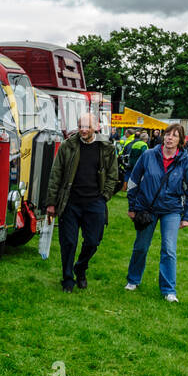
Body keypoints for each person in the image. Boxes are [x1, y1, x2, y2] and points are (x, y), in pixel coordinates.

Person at [46, 113, 119, 291]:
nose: (83, 130)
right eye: (80, 126)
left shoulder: (106, 148)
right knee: (68, 243)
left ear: (96, 127)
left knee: (93, 241)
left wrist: (105, 196)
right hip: (70, 202)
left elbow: (113, 175)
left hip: (95, 203)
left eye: (87, 126)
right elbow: (56, 175)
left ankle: (81, 267)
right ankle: (68, 279)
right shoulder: (67, 146)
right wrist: (51, 202)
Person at [125, 123, 188, 302]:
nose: (170, 138)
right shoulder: (148, 155)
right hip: (146, 208)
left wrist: (186, 216)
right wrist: (132, 207)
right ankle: (133, 280)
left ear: (181, 140)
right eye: (167, 134)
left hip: (171, 210)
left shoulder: (186, 160)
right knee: (141, 246)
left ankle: (168, 290)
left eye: (174, 135)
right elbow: (133, 181)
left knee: (169, 249)